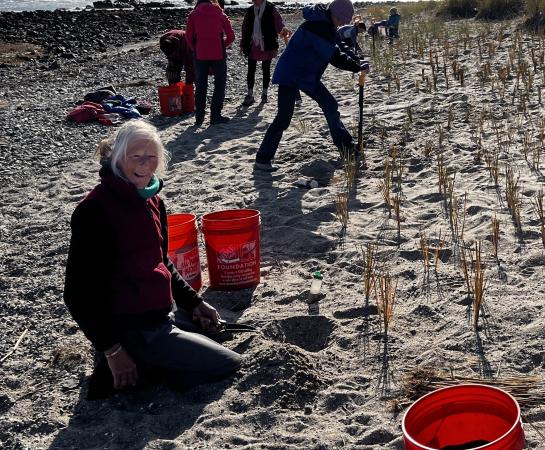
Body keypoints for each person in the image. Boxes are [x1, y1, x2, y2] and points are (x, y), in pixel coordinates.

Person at [63, 121, 242, 399]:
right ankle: (129, 365)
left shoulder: (153, 201)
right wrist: (112, 349)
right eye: (136, 156)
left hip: (160, 311)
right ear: (117, 157)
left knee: (216, 330)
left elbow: (160, 261)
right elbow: (77, 293)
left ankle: (160, 349)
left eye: (151, 156)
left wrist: (193, 302)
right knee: (228, 364)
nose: (144, 164)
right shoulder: (94, 211)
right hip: (133, 326)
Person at [254, 0, 368, 172]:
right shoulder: (317, 27)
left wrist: (358, 59)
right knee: (283, 118)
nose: (344, 24)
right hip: (291, 74)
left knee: (330, 105)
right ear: (334, 15)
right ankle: (262, 160)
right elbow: (335, 57)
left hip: (307, 75)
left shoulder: (326, 24)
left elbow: (340, 43)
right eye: (342, 20)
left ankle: (346, 147)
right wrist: (357, 66)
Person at [186, 0, 235, 126]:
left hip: (200, 53)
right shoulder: (220, 13)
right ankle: (215, 116)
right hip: (218, 53)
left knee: (201, 85)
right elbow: (231, 36)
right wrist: (222, 45)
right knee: (219, 84)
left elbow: (188, 36)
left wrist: (194, 49)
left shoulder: (193, 14)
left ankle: (199, 117)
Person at [240, 0, 291, 106]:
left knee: (266, 69)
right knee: (251, 70)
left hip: (267, 43)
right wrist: (242, 44)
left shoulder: (271, 9)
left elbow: (279, 23)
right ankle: (250, 94)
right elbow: (244, 28)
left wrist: (283, 30)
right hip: (252, 43)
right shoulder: (250, 11)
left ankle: (264, 94)